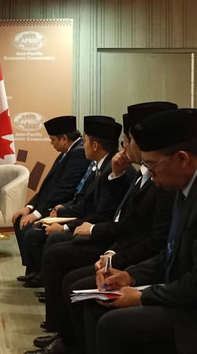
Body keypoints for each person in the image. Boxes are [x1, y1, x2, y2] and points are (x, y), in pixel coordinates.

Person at [28, 103, 176, 354]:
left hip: (137, 258)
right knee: (67, 268)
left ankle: (70, 341)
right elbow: (124, 216)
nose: (124, 148)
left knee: (72, 275)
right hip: (124, 248)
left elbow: (144, 234)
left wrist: (117, 260)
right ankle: (67, 338)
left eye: (127, 141)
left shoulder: (163, 181)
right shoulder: (131, 172)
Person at [84, 108, 197, 354]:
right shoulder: (181, 188)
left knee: (113, 325)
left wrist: (141, 296)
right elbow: (170, 253)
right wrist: (130, 276)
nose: (150, 174)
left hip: (189, 309)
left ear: (183, 159)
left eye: (151, 165)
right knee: (100, 304)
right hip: (176, 292)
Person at [13, 116, 91, 284]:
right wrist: (29, 206)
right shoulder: (66, 153)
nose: (51, 143)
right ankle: (34, 269)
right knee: (20, 219)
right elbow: (47, 187)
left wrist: (38, 214)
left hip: (63, 208)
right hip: (49, 204)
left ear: (64, 139)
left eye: (52, 139)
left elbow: (64, 189)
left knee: (30, 229)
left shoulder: (78, 154)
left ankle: (42, 274)